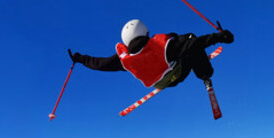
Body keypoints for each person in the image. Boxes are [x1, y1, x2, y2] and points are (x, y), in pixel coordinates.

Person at [70, 19, 234, 91]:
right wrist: (220, 37)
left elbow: (101, 64)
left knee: (181, 41)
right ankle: (205, 75)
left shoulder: (126, 60)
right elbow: (195, 43)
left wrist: (80, 58)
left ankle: (191, 62)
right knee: (190, 39)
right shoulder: (160, 45)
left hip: (160, 84)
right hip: (176, 74)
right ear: (145, 32)